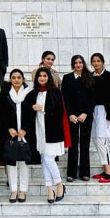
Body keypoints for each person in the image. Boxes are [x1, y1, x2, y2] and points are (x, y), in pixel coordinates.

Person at [24, 67, 69, 203]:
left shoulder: (54, 91)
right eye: (40, 76)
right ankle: (49, 189)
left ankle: (59, 184)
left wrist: (42, 108)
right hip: (39, 132)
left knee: (49, 159)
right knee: (44, 160)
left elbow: (60, 109)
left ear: (49, 77)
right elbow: (27, 110)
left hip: (52, 131)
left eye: (45, 75)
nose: (42, 78)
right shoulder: (34, 93)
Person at [0, 69, 30, 203]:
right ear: (10, 80)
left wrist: (25, 129)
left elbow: (31, 114)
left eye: (19, 77)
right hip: (9, 133)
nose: (16, 80)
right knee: (11, 162)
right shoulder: (5, 93)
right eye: (14, 77)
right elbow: (0, 114)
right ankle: (13, 190)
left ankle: (22, 190)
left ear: (23, 79)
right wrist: (8, 128)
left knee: (23, 162)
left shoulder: (29, 93)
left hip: (24, 133)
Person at [62, 55, 95, 182]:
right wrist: (70, 114)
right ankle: (71, 173)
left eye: (80, 62)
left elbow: (92, 98)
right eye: (75, 63)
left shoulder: (89, 77)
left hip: (86, 116)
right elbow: (64, 97)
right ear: (72, 65)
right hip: (72, 117)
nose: (78, 65)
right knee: (73, 144)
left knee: (85, 144)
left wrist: (86, 113)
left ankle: (85, 172)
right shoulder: (67, 78)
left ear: (83, 64)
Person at [90, 52, 110, 184]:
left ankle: (109, 173)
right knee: (97, 139)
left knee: (102, 139)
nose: (96, 63)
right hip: (93, 111)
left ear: (102, 62)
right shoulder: (90, 77)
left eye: (98, 61)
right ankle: (105, 169)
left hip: (105, 111)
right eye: (94, 61)